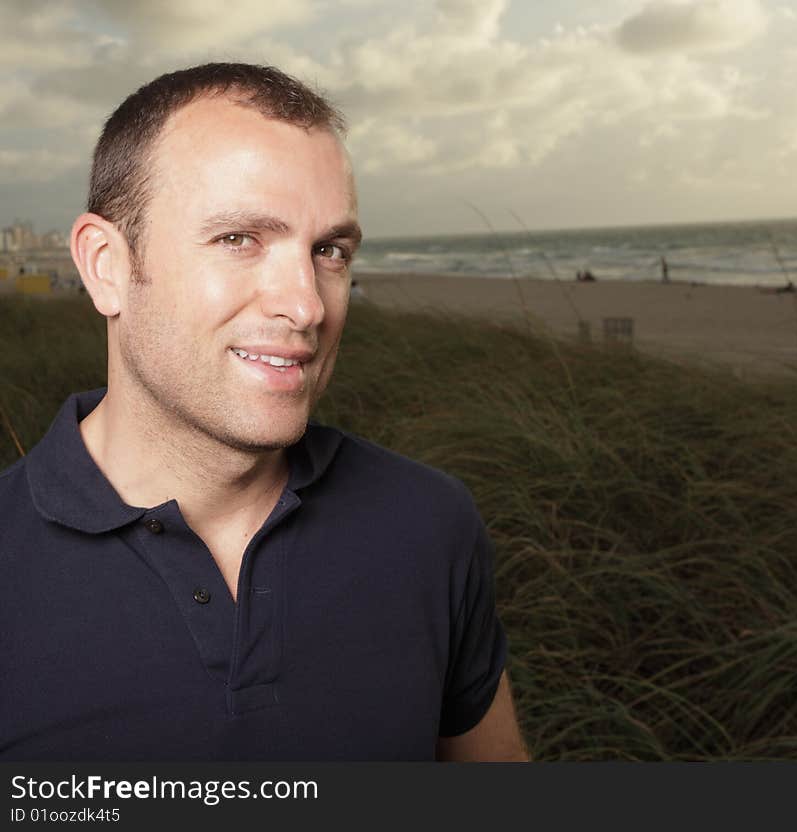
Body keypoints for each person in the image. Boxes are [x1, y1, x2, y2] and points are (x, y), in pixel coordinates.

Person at [0, 63, 528, 762]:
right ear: (106, 266)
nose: (307, 306)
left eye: (329, 251)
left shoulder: (431, 525)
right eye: (239, 239)